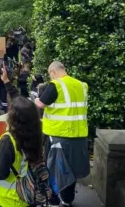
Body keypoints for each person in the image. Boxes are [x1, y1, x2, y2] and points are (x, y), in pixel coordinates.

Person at [35, 61, 90, 207]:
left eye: (50, 75)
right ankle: (67, 200)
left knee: (53, 169)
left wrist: (35, 100)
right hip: (79, 137)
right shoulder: (82, 85)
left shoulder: (56, 85)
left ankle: (53, 201)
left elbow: (41, 104)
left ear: (52, 71)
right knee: (70, 171)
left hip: (58, 136)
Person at [0, 97, 43, 207]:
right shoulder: (38, 133)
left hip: (9, 199)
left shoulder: (8, 140)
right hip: (30, 193)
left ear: (12, 117)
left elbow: (1, 173)